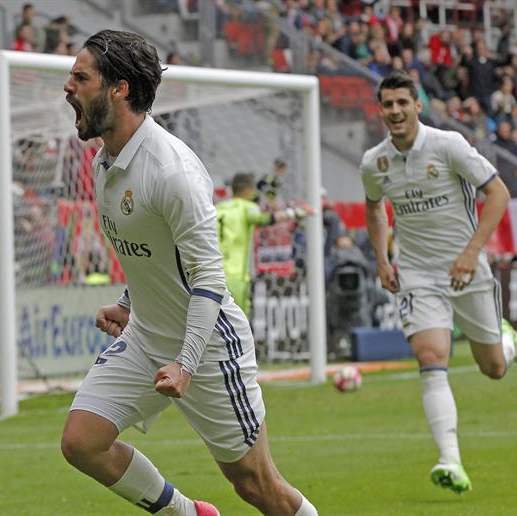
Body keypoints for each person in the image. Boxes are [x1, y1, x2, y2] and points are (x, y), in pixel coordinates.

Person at [60, 30, 318, 516]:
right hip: (145, 338)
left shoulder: (173, 171)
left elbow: (208, 279)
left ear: (120, 89)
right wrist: (129, 302)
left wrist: (186, 361)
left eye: (81, 77)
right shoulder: (105, 161)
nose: (68, 87)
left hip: (207, 346)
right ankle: (187, 513)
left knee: (258, 486)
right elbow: (152, 252)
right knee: (82, 441)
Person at [360, 71, 517, 495]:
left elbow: (499, 194)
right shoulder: (374, 162)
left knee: (492, 368)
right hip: (417, 274)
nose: (396, 111)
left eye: (403, 102)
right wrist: (383, 259)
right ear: (380, 110)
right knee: (431, 355)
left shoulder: (448, 145)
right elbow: (374, 207)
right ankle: (450, 460)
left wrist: (471, 253)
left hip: (467, 269)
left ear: (418, 105)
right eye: (388, 105)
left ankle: (506, 341)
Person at [216, 172, 308, 316]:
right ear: (248, 190)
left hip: (213, 273)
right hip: (235, 277)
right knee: (239, 324)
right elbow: (266, 219)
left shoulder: (219, 207)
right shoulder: (247, 207)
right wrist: (295, 212)